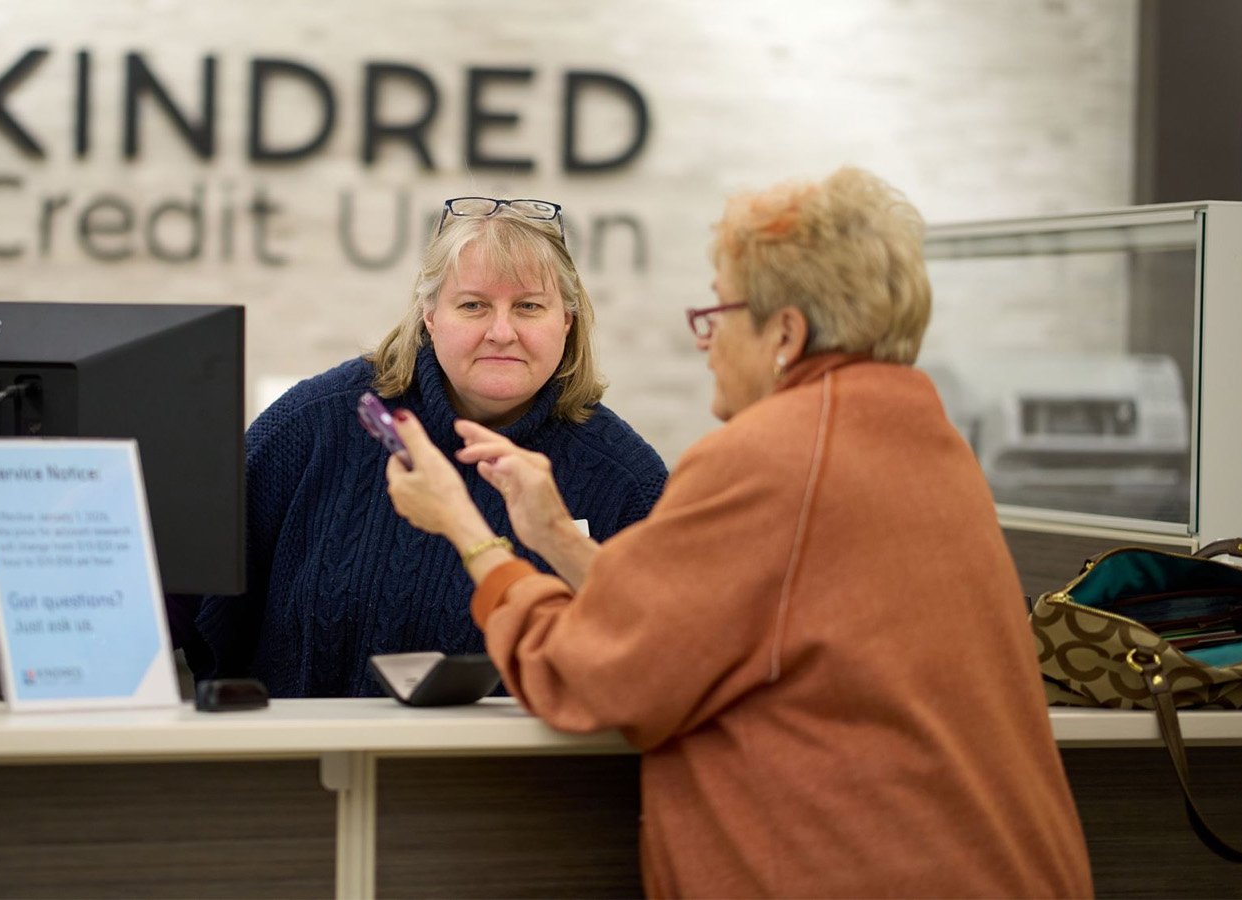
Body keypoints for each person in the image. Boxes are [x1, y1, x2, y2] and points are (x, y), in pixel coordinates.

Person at [382, 169, 1093, 897]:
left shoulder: (772, 456)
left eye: (718, 310)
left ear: (784, 332)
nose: (706, 341)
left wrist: (469, 531)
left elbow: (589, 676)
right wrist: (560, 537)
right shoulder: (927, 442)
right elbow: (696, 627)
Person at [189, 197, 668, 697]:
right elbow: (203, 611)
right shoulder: (313, 425)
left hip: (522, 772)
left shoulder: (626, 479)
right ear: (430, 317)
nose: (501, 332)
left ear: (566, 322)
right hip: (304, 764)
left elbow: (658, 664)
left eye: (529, 306)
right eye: (473, 305)